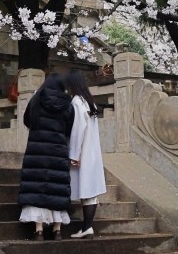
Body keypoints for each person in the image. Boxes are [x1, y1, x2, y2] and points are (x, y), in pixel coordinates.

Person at [18, 72, 75, 240]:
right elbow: (69, 128)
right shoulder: (68, 104)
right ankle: (57, 230)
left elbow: (27, 120)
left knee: (37, 186)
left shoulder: (37, 99)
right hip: (58, 150)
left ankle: (39, 230)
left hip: (37, 149)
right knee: (56, 187)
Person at [65, 71, 106, 239]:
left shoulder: (76, 102)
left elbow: (77, 131)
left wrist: (74, 154)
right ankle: (87, 227)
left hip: (82, 152)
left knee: (86, 190)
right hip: (93, 152)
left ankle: (87, 227)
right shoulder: (89, 101)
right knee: (90, 191)